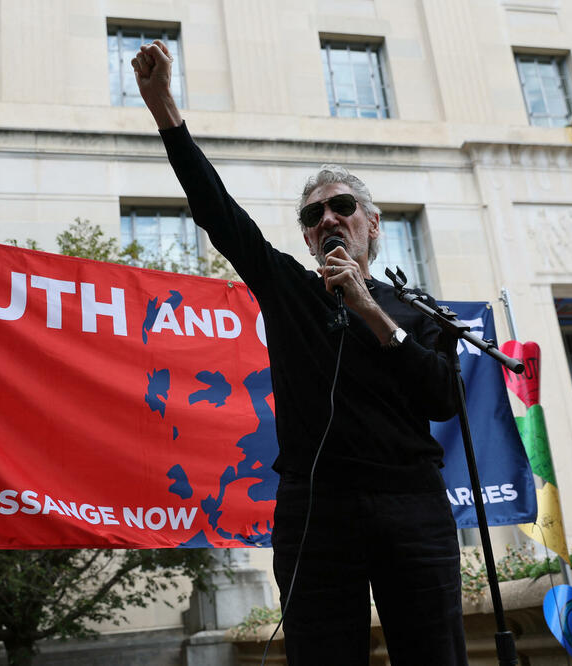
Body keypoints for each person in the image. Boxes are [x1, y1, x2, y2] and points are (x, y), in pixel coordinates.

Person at [132, 41, 468, 665]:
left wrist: (372, 312)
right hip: (318, 512)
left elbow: (444, 398)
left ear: (373, 224)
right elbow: (219, 213)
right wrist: (165, 111)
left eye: (343, 207)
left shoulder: (417, 310)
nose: (328, 218)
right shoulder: (289, 289)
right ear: (308, 234)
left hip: (411, 506)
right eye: (314, 214)